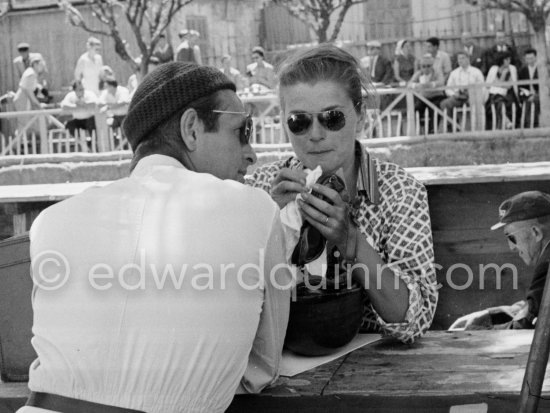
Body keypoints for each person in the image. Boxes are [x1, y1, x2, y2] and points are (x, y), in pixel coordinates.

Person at [18, 62, 291, 413]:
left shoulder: (50, 222)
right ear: (191, 129)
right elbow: (260, 372)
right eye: (242, 131)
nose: (251, 153)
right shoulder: (259, 210)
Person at [247, 44, 438, 344]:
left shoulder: (398, 191)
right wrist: (270, 226)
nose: (315, 134)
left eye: (332, 118)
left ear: (360, 117)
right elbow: (228, 295)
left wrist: (351, 240)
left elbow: (413, 318)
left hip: (375, 368)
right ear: (284, 123)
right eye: (299, 121)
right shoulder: (264, 186)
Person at [449, 191, 550, 331]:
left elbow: (524, 327)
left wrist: (479, 332)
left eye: (511, 237)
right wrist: (491, 315)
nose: (511, 247)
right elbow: (534, 307)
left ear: (536, 233)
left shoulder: (546, 267)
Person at [440, 50, 485, 127]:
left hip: (471, 96)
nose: (461, 60)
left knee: (473, 104)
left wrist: (474, 94)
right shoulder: (454, 73)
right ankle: (450, 125)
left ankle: (475, 126)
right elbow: (448, 88)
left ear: (468, 59)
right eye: (459, 59)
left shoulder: (476, 72)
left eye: (463, 58)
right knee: (444, 104)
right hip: (458, 97)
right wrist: (454, 94)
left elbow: (482, 87)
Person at [408, 53, 446, 133]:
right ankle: (418, 130)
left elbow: (442, 82)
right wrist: (417, 85)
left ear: (432, 66)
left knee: (434, 108)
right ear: (421, 67)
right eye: (424, 66)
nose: (426, 68)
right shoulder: (418, 73)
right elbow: (410, 84)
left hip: (437, 96)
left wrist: (431, 84)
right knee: (415, 109)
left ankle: (432, 130)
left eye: (428, 66)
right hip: (423, 98)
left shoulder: (437, 72)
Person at [485, 51, 519, 130]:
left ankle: (504, 123)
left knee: (498, 100)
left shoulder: (512, 69)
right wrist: (503, 75)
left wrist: (498, 83)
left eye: (509, 59)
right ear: (501, 60)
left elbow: (509, 86)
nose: (509, 61)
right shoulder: (494, 69)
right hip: (493, 95)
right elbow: (489, 84)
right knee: (497, 100)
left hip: (508, 94)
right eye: (506, 60)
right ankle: (506, 121)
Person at [12, 56, 47, 134]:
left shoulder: (30, 72)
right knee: (23, 125)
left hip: (23, 100)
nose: (42, 67)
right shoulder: (31, 74)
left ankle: (20, 144)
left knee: (25, 125)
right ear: (35, 64)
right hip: (23, 101)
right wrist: (38, 106)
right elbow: (30, 94)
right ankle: (16, 145)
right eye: (41, 64)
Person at [518, 48, 540, 128]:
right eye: (527, 58)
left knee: (534, 101)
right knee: (527, 103)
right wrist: (528, 95)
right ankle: (528, 126)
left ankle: (534, 125)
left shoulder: (542, 68)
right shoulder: (523, 70)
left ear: (536, 57)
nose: (530, 60)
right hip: (528, 95)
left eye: (531, 58)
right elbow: (520, 87)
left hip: (540, 94)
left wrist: (536, 95)